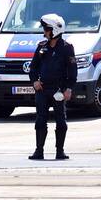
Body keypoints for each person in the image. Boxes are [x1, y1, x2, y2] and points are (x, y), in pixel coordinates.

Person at [29, 13, 76, 160]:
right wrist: (34, 81)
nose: (44, 32)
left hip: (59, 90)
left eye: (47, 29)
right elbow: (33, 67)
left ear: (55, 30)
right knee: (40, 120)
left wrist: (69, 88)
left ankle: (60, 151)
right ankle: (39, 151)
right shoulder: (41, 46)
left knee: (61, 121)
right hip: (42, 90)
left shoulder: (67, 48)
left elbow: (72, 70)